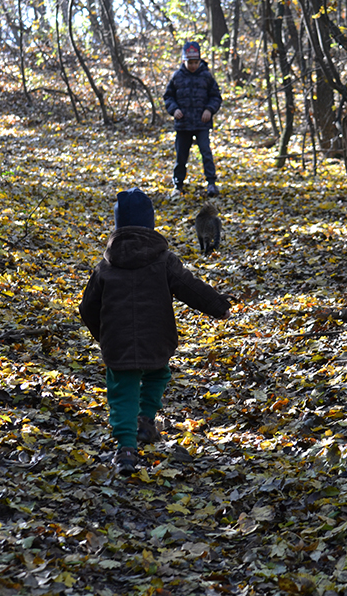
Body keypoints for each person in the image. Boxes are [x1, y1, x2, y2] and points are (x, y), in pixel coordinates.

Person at [79, 187, 231, 475]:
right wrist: (218, 306)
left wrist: (103, 334)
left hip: (118, 342)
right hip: (157, 338)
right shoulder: (164, 260)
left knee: (122, 392)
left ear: (118, 225)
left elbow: (87, 307)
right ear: (150, 224)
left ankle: (125, 449)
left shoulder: (105, 266)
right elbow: (189, 287)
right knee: (158, 372)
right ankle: (146, 420)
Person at [163, 41, 222, 198]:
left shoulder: (206, 76)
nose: (194, 65)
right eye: (190, 62)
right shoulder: (177, 77)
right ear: (184, 61)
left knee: (206, 153)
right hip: (183, 125)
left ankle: (211, 183)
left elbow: (216, 96)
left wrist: (209, 110)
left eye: (196, 62)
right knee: (181, 156)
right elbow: (168, 97)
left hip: (201, 123)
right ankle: (178, 185)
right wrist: (174, 109)